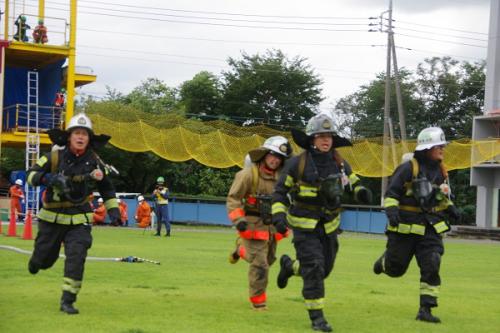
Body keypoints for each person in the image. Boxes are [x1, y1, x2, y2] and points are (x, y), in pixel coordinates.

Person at [271, 114, 372, 332]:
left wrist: (362, 192)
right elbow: (279, 193)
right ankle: (317, 318)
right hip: (304, 227)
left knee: (324, 269)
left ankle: (290, 267)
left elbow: (354, 183)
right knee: (315, 268)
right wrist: (278, 216)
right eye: (320, 136)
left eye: (329, 136)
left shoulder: (340, 163)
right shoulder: (296, 164)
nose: (326, 140)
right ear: (311, 139)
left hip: (330, 226)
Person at [26, 113, 121, 314]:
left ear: (89, 138)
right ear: (69, 136)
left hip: (80, 220)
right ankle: (37, 261)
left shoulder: (95, 162)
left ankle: (68, 300)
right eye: (77, 133)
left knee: (76, 258)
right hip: (51, 219)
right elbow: (31, 176)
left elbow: (107, 188)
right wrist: (50, 179)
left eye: (84, 134)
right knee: (44, 260)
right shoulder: (53, 156)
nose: (80, 137)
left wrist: (114, 211)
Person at [372, 126, 460, 324]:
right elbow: (391, 194)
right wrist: (392, 211)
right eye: (439, 146)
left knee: (432, 262)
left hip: (431, 228)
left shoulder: (440, 171)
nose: (442, 150)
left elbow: (440, 196)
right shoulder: (408, 168)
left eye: (442, 146)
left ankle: (426, 309)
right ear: (427, 148)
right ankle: (384, 263)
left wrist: (451, 207)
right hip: (405, 229)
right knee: (396, 270)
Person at [226, 136, 292, 311]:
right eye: (272, 155)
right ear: (264, 154)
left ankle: (241, 250)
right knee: (260, 265)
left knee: (268, 260)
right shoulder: (247, 175)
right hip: (251, 225)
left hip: (271, 226)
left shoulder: (282, 179)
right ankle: (258, 302)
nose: (275, 160)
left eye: (279, 158)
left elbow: (287, 201)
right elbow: (234, 199)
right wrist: (239, 220)